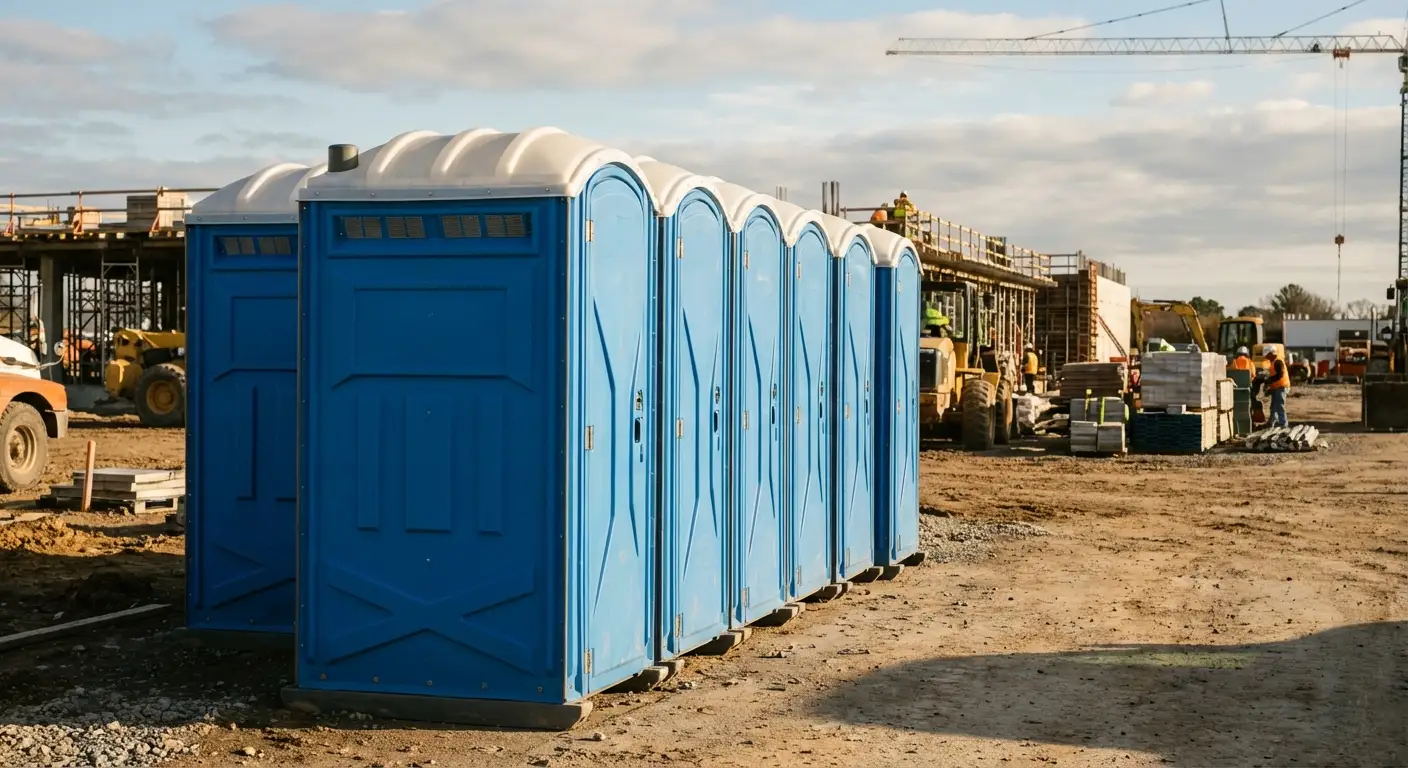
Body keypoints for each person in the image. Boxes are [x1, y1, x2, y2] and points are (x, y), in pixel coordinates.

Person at [1263, 344, 1290, 427]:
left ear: (1271, 354)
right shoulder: (1273, 362)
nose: (1266, 358)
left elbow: (1280, 375)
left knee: (1280, 406)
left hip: (1281, 387)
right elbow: (1274, 375)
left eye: (1267, 355)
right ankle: (1271, 423)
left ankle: (1283, 424)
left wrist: (1269, 380)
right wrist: (1269, 386)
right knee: (1274, 406)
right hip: (1276, 387)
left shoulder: (1278, 361)